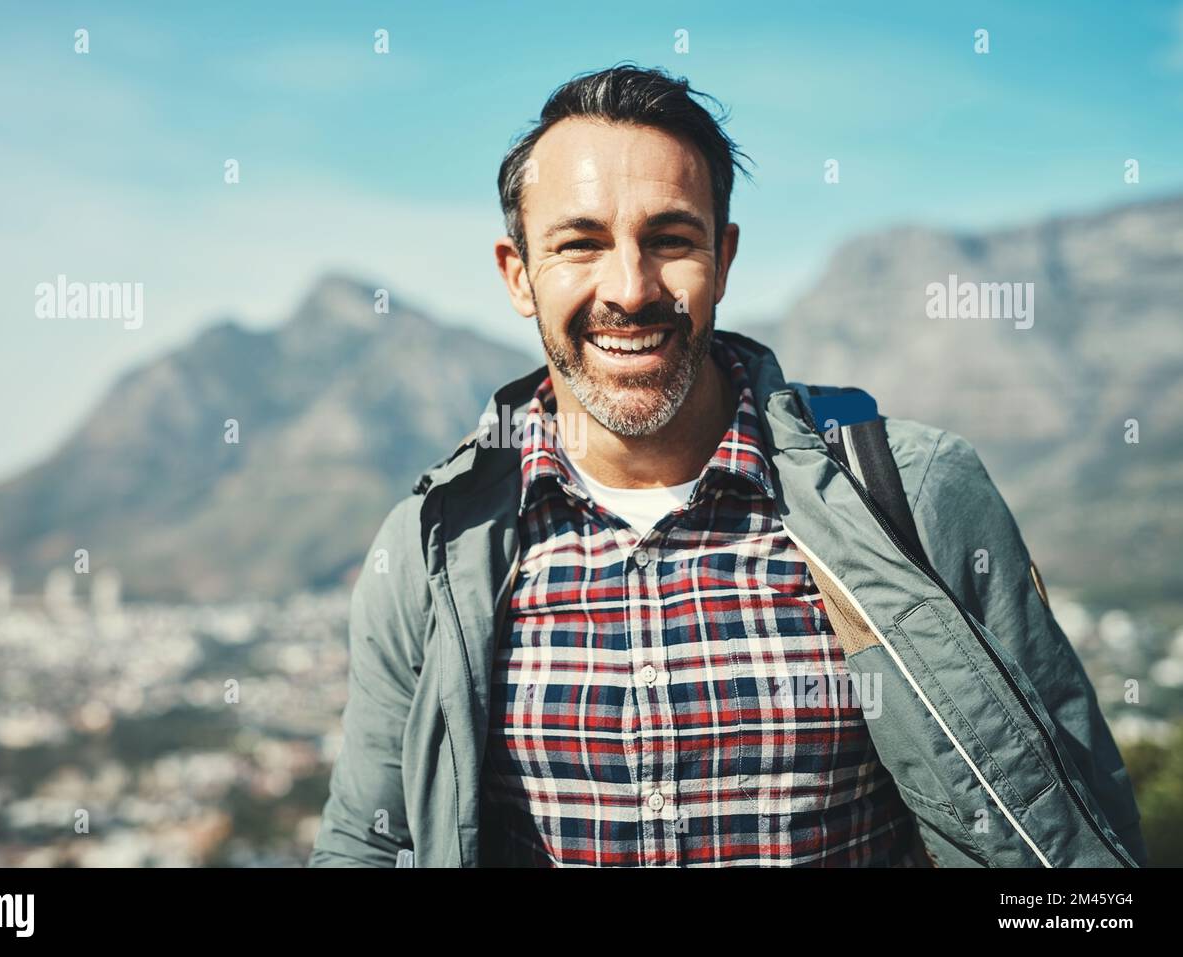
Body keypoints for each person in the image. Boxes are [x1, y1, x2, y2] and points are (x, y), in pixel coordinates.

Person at [309, 63, 1146, 868]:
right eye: (581, 244)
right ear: (518, 274)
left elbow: (1074, 831)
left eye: (670, 238)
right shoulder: (436, 549)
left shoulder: (916, 497)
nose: (631, 289)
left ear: (725, 257)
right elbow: (373, 843)